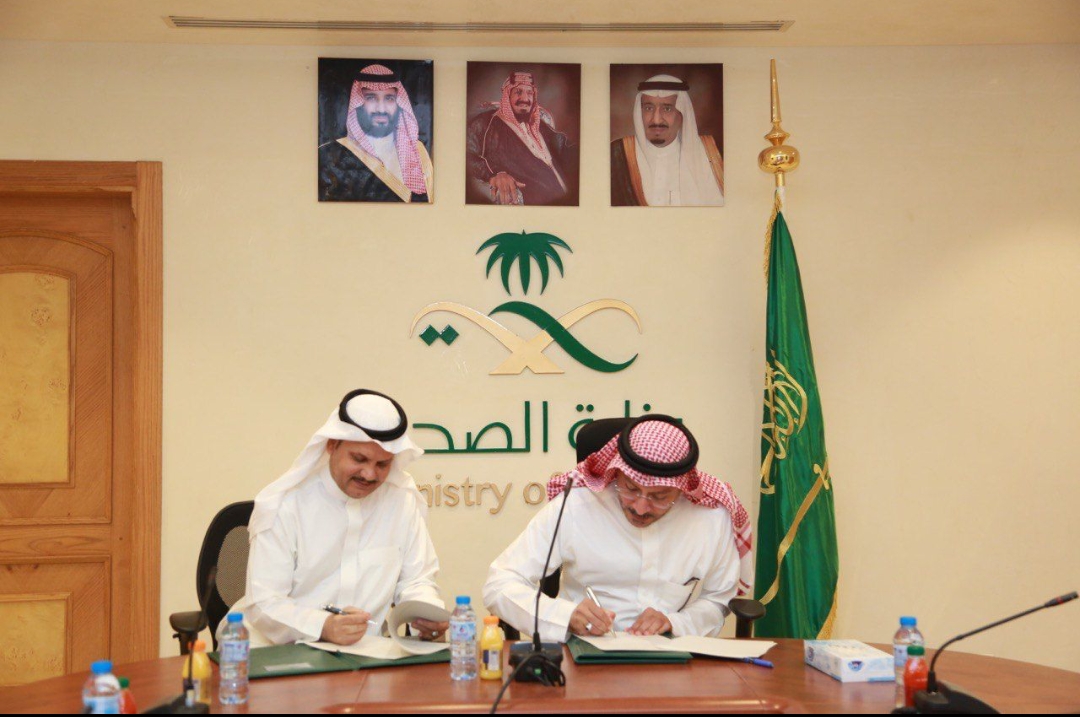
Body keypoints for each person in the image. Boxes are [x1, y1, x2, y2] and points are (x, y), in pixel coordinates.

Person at [483, 415, 752, 641]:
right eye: (630, 489)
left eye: (660, 497)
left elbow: (719, 599)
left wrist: (676, 623)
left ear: (681, 489)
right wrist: (564, 616)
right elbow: (500, 583)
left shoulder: (710, 517)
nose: (641, 508)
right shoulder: (576, 506)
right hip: (582, 653)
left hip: (672, 659)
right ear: (617, 473)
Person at [228, 389, 448, 647]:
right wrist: (323, 626)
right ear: (332, 445)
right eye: (359, 459)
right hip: (283, 648)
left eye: (382, 464)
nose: (369, 474)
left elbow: (417, 579)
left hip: (367, 651)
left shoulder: (401, 501)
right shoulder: (286, 505)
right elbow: (265, 603)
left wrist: (425, 612)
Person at [319, 64, 433, 203]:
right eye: (371, 98)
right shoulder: (332, 154)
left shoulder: (418, 150)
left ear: (398, 103)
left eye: (389, 98)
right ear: (359, 103)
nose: (381, 109)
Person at [465, 70, 578, 206]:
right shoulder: (486, 123)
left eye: (529, 93)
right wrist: (494, 174)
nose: (525, 98)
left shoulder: (539, 125)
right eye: (518, 92)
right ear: (507, 96)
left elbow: (567, 148)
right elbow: (465, 154)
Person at [610, 74, 724, 207]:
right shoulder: (617, 155)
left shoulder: (710, 155)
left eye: (667, 109)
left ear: (682, 114)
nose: (656, 119)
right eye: (648, 108)